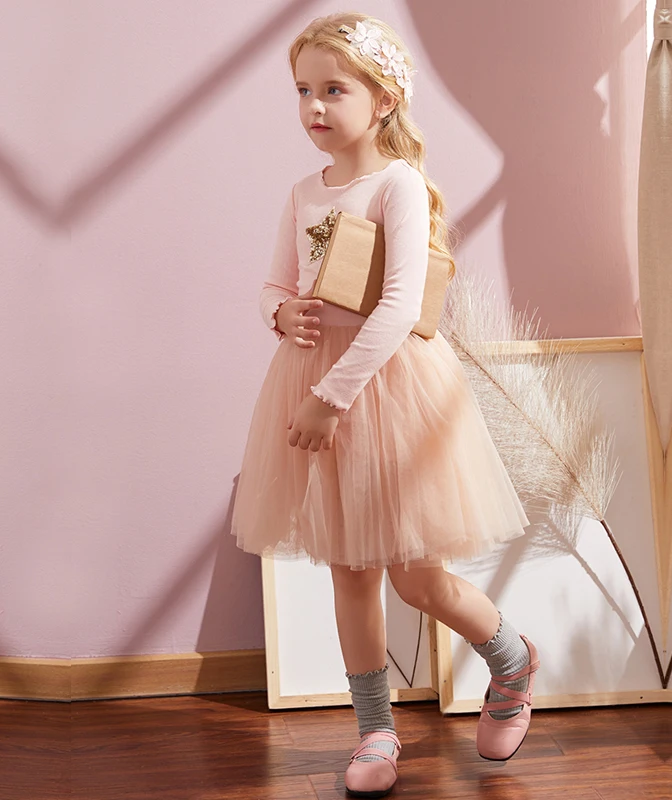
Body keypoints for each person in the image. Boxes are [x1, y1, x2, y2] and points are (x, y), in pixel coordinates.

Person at [232, 12, 540, 797]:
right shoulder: (302, 192)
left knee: (418, 580)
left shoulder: (396, 184)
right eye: (303, 90)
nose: (314, 106)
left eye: (334, 90)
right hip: (313, 379)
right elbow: (274, 283)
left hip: (385, 388)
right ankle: (375, 731)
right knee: (350, 571)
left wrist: (332, 398)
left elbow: (400, 305)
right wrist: (279, 312)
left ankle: (511, 661)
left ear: (384, 98)